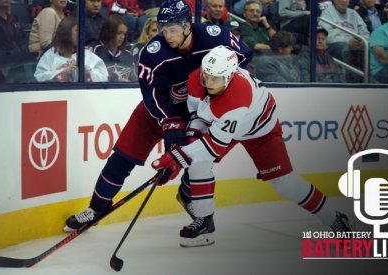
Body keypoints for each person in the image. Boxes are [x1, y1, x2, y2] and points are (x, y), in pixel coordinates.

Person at [64, 0, 252, 232]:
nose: (167, 35)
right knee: (122, 157)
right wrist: (171, 125)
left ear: (187, 25)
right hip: (156, 114)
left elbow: (244, 57)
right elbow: (151, 95)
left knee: (201, 158)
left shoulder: (216, 37)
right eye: (163, 29)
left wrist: (221, 97)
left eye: (172, 29)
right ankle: (97, 207)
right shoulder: (153, 53)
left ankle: (188, 195)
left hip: (198, 115)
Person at [151, 46, 352, 247]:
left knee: (284, 183)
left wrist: (177, 158)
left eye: (215, 78)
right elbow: (197, 116)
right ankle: (204, 219)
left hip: (260, 130)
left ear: (229, 76)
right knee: (197, 160)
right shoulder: (197, 78)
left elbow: (213, 146)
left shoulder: (237, 96)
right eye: (207, 76)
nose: (208, 82)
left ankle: (333, 217)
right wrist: (190, 139)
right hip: (223, 123)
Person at [34, 16, 108, 82]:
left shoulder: (87, 54)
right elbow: (39, 77)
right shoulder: (51, 54)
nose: (81, 34)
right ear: (66, 32)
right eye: (77, 30)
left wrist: (86, 70)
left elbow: (104, 77)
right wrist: (63, 71)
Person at [319, 0, 370, 82]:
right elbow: (325, 37)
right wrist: (348, 41)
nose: (344, 1)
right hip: (334, 47)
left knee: (367, 49)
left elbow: (366, 34)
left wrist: (361, 41)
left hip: (355, 45)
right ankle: (350, 82)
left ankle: (366, 80)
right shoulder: (327, 12)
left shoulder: (354, 14)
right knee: (345, 48)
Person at [93, 14, 137, 82]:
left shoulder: (128, 56)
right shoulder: (97, 52)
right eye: (119, 33)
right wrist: (116, 79)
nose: (122, 37)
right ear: (110, 32)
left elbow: (134, 81)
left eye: (124, 34)